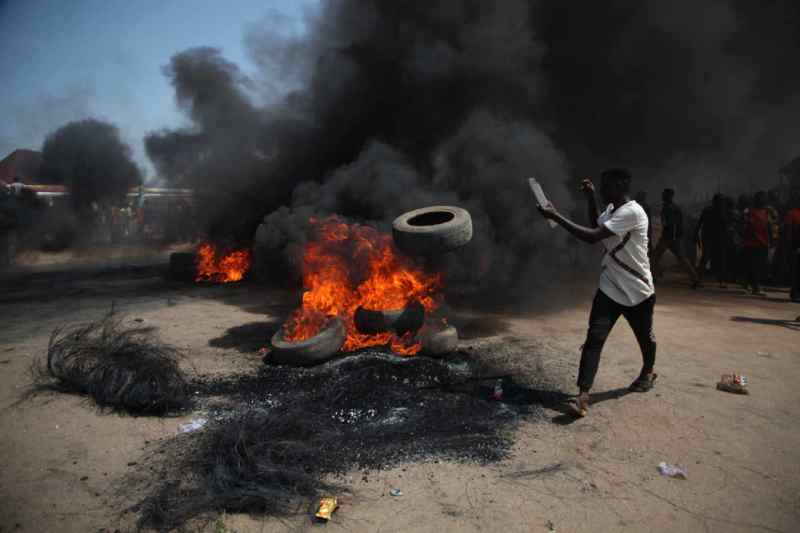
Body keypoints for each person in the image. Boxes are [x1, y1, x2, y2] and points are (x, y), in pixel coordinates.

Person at [537, 168, 656, 417]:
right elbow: (597, 226)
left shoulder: (632, 212)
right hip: (610, 287)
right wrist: (590, 198)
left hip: (638, 289)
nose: (602, 190)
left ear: (622, 185)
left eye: (606, 186)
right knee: (594, 339)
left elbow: (593, 237)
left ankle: (647, 371)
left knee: (645, 338)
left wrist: (556, 217)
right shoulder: (612, 211)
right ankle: (582, 395)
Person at [650, 188, 699, 287]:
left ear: (669, 196)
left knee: (655, 257)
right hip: (671, 237)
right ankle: (695, 279)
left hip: (669, 237)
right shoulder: (671, 207)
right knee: (681, 258)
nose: (662, 196)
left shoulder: (670, 208)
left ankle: (652, 278)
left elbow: (671, 223)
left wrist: (671, 236)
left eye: (664, 194)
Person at [741, 191, 771, 296]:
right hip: (751, 243)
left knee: (759, 266)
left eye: (764, 198)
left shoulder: (767, 212)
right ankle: (753, 286)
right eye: (761, 198)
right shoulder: (748, 211)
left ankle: (753, 286)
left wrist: (768, 241)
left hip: (762, 243)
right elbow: (746, 226)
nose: (763, 200)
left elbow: (768, 228)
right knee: (752, 266)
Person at [695, 194, 728, 286]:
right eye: (720, 201)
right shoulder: (713, 211)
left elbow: (699, 223)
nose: (721, 203)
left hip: (715, 238)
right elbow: (700, 223)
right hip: (710, 237)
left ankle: (701, 279)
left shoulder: (717, 210)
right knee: (707, 258)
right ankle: (699, 279)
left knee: (715, 258)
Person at [784, 188, 800, 302]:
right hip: (795, 247)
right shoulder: (792, 213)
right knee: (796, 271)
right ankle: (795, 293)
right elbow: (788, 231)